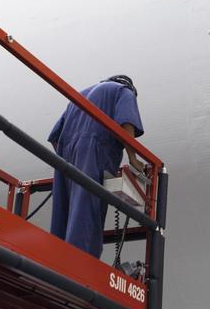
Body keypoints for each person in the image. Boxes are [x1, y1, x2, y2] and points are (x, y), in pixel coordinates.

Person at [47, 75, 144, 257]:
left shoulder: (78, 97)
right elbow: (127, 122)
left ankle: (57, 257)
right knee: (86, 206)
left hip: (65, 154)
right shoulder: (123, 90)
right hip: (94, 150)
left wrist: (69, 156)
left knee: (64, 207)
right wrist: (133, 158)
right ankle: (81, 260)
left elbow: (54, 137)